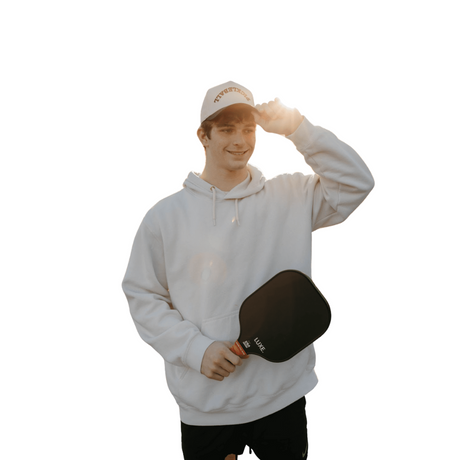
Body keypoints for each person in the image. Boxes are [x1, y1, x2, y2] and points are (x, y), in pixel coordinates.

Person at [122, 81, 374, 459]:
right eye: (227, 129)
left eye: (248, 129)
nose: (240, 140)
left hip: (281, 395)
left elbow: (356, 183)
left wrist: (297, 128)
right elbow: (143, 294)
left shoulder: (291, 196)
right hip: (206, 404)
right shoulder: (164, 218)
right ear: (203, 136)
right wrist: (195, 349)